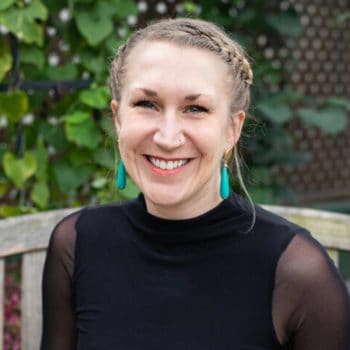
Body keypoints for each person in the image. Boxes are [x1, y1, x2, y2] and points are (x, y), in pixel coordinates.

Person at [40, 18, 350, 349]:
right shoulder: (76, 244)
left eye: (195, 108)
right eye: (147, 104)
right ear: (118, 119)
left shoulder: (296, 272)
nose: (168, 137)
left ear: (232, 130)